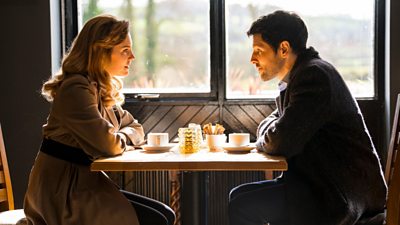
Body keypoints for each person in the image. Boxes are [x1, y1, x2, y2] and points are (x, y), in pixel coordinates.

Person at [228, 10, 387, 225]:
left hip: (338, 196)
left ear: (283, 48)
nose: (252, 59)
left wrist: (271, 132)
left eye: (259, 50)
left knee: (242, 205)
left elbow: (280, 140)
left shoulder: (314, 76)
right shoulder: (300, 76)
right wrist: (271, 131)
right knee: (237, 197)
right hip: (319, 185)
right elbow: (275, 125)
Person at [23, 15, 175, 225]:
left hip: (84, 182)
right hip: (63, 191)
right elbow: (108, 145)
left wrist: (120, 136)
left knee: (165, 214)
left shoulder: (98, 88)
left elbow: (136, 127)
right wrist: (121, 138)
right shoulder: (76, 89)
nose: (132, 57)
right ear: (100, 52)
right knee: (156, 220)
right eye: (124, 50)